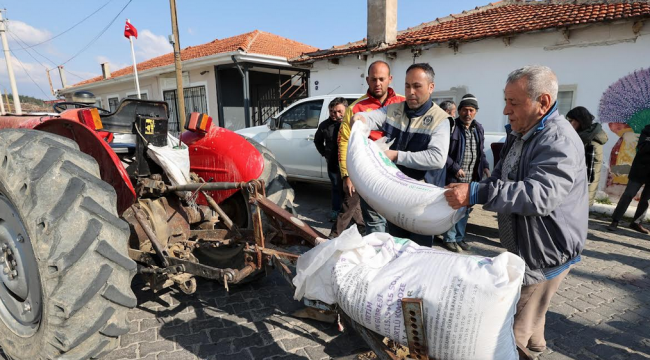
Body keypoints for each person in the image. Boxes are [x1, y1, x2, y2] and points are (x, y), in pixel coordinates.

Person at [444, 65, 588, 354]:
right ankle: (537, 343)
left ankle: (523, 346)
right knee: (536, 311)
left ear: (543, 102)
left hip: (543, 255)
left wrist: (476, 192)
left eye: (514, 102)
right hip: (527, 249)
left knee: (510, 335)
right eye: (505, 100)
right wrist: (475, 189)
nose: (506, 110)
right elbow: (501, 174)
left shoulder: (557, 140)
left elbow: (540, 195)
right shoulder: (522, 131)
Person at [350, 63, 451, 246]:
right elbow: (372, 117)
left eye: (417, 86)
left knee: (418, 253)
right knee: (396, 246)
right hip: (396, 196)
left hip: (422, 202)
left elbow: (437, 158)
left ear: (431, 87)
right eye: (407, 85)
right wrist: (360, 119)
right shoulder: (395, 110)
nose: (411, 91)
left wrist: (396, 155)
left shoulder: (440, 119)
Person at [338, 60, 405, 235]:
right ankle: (378, 256)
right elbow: (345, 142)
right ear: (367, 80)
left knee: (398, 221)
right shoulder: (355, 108)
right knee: (374, 222)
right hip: (370, 173)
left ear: (390, 79)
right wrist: (347, 175)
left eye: (382, 79)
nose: (378, 83)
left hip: (398, 172)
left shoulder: (403, 104)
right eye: (374, 79)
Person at [441, 94, 490, 252]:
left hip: (471, 177)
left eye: (471, 110)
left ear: (476, 112)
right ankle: (449, 238)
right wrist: (455, 168)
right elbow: (442, 153)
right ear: (459, 111)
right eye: (464, 110)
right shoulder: (451, 127)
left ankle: (459, 237)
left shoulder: (479, 128)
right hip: (454, 177)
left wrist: (485, 166)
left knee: (466, 209)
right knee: (453, 208)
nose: (467, 113)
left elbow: (480, 152)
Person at [607, 123, 650, 234]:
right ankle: (615, 221)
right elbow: (642, 147)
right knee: (628, 194)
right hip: (640, 169)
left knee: (646, 200)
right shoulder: (647, 130)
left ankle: (636, 223)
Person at [566, 106, 608, 206]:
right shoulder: (582, 137)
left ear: (580, 121)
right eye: (569, 120)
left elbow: (591, 173)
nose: (569, 124)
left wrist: (585, 200)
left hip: (581, 193)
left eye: (572, 121)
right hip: (575, 189)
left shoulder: (592, 142)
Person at [314, 97, 348, 222]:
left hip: (349, 163)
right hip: (333, 163)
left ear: (345, 110)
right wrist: (325, 154)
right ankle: (336, 211)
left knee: (350, 189)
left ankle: (350, 214)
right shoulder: (324, 125)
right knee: (335, 187)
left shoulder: (349, 123)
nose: (336, 115)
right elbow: (317, 141)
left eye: (339, 111)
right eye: (332, 112)